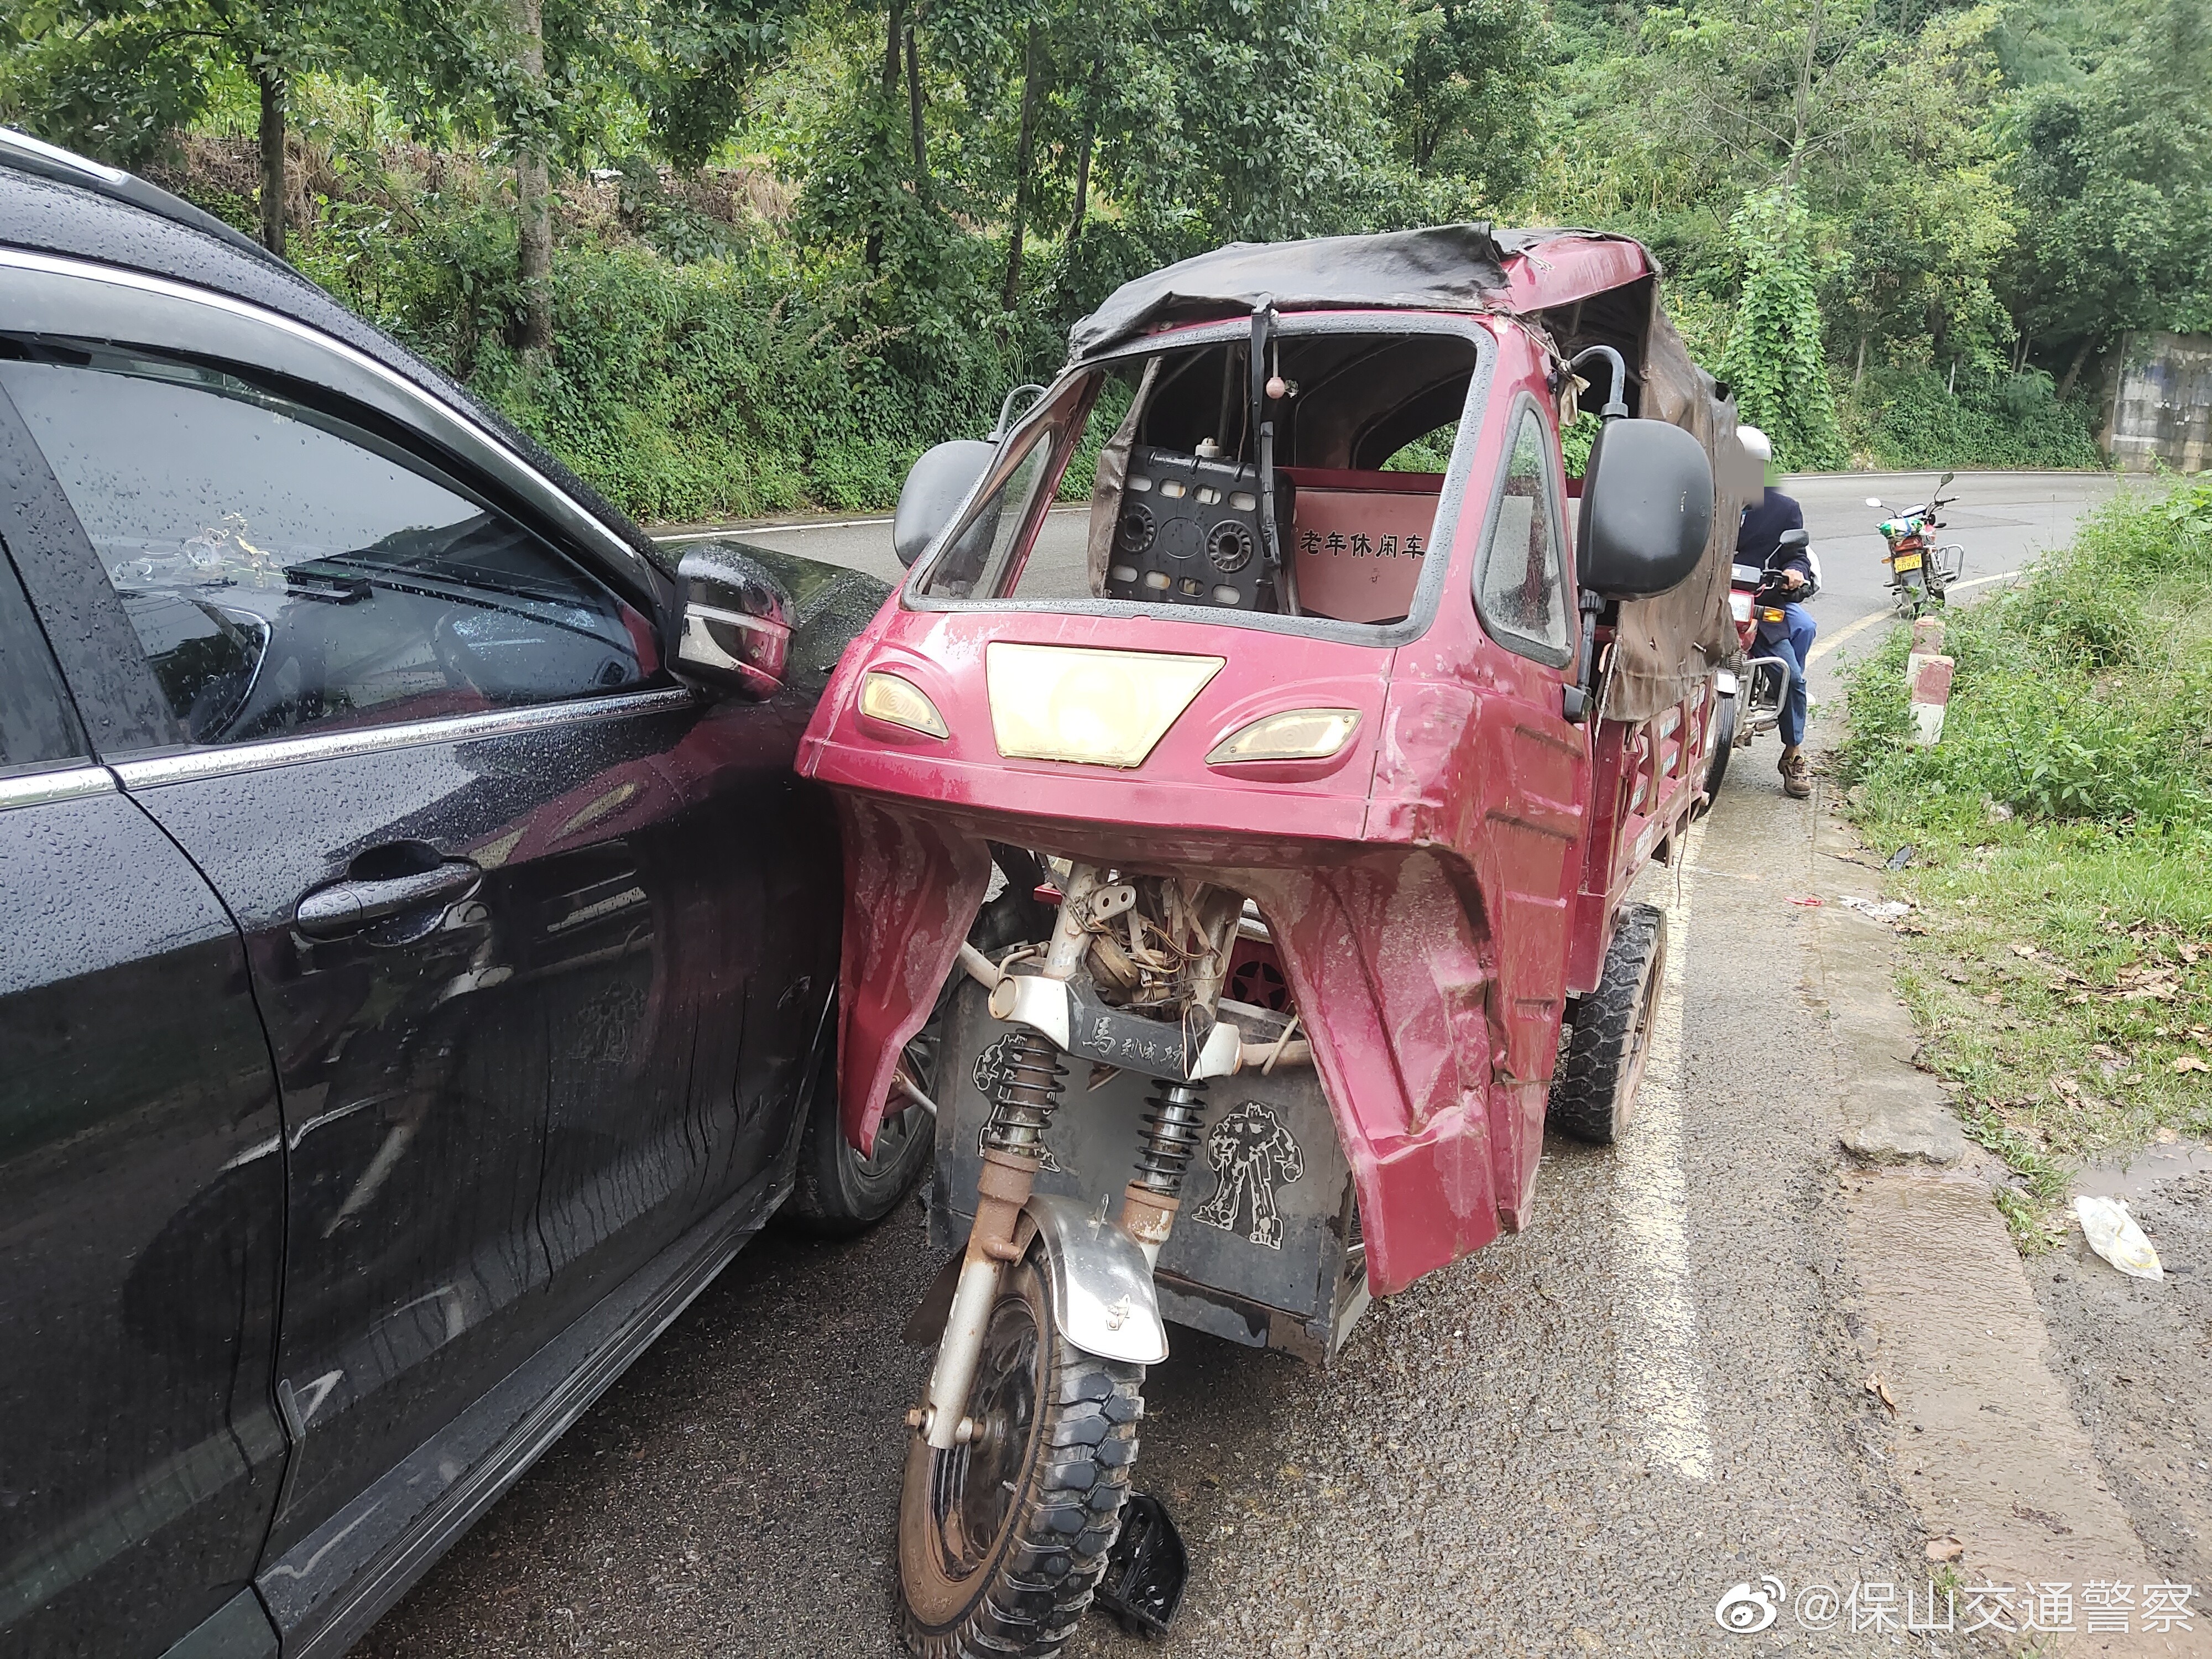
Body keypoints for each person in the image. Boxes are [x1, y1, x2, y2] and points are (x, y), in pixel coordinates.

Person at [1737, 483, 1817, 799]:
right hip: (1701, 607)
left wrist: (1794, 571)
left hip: (1760, 606)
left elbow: (1798, 558)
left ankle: (1794, 751)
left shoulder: (1782, 509)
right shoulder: (1701, 496)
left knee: (1791, 675)